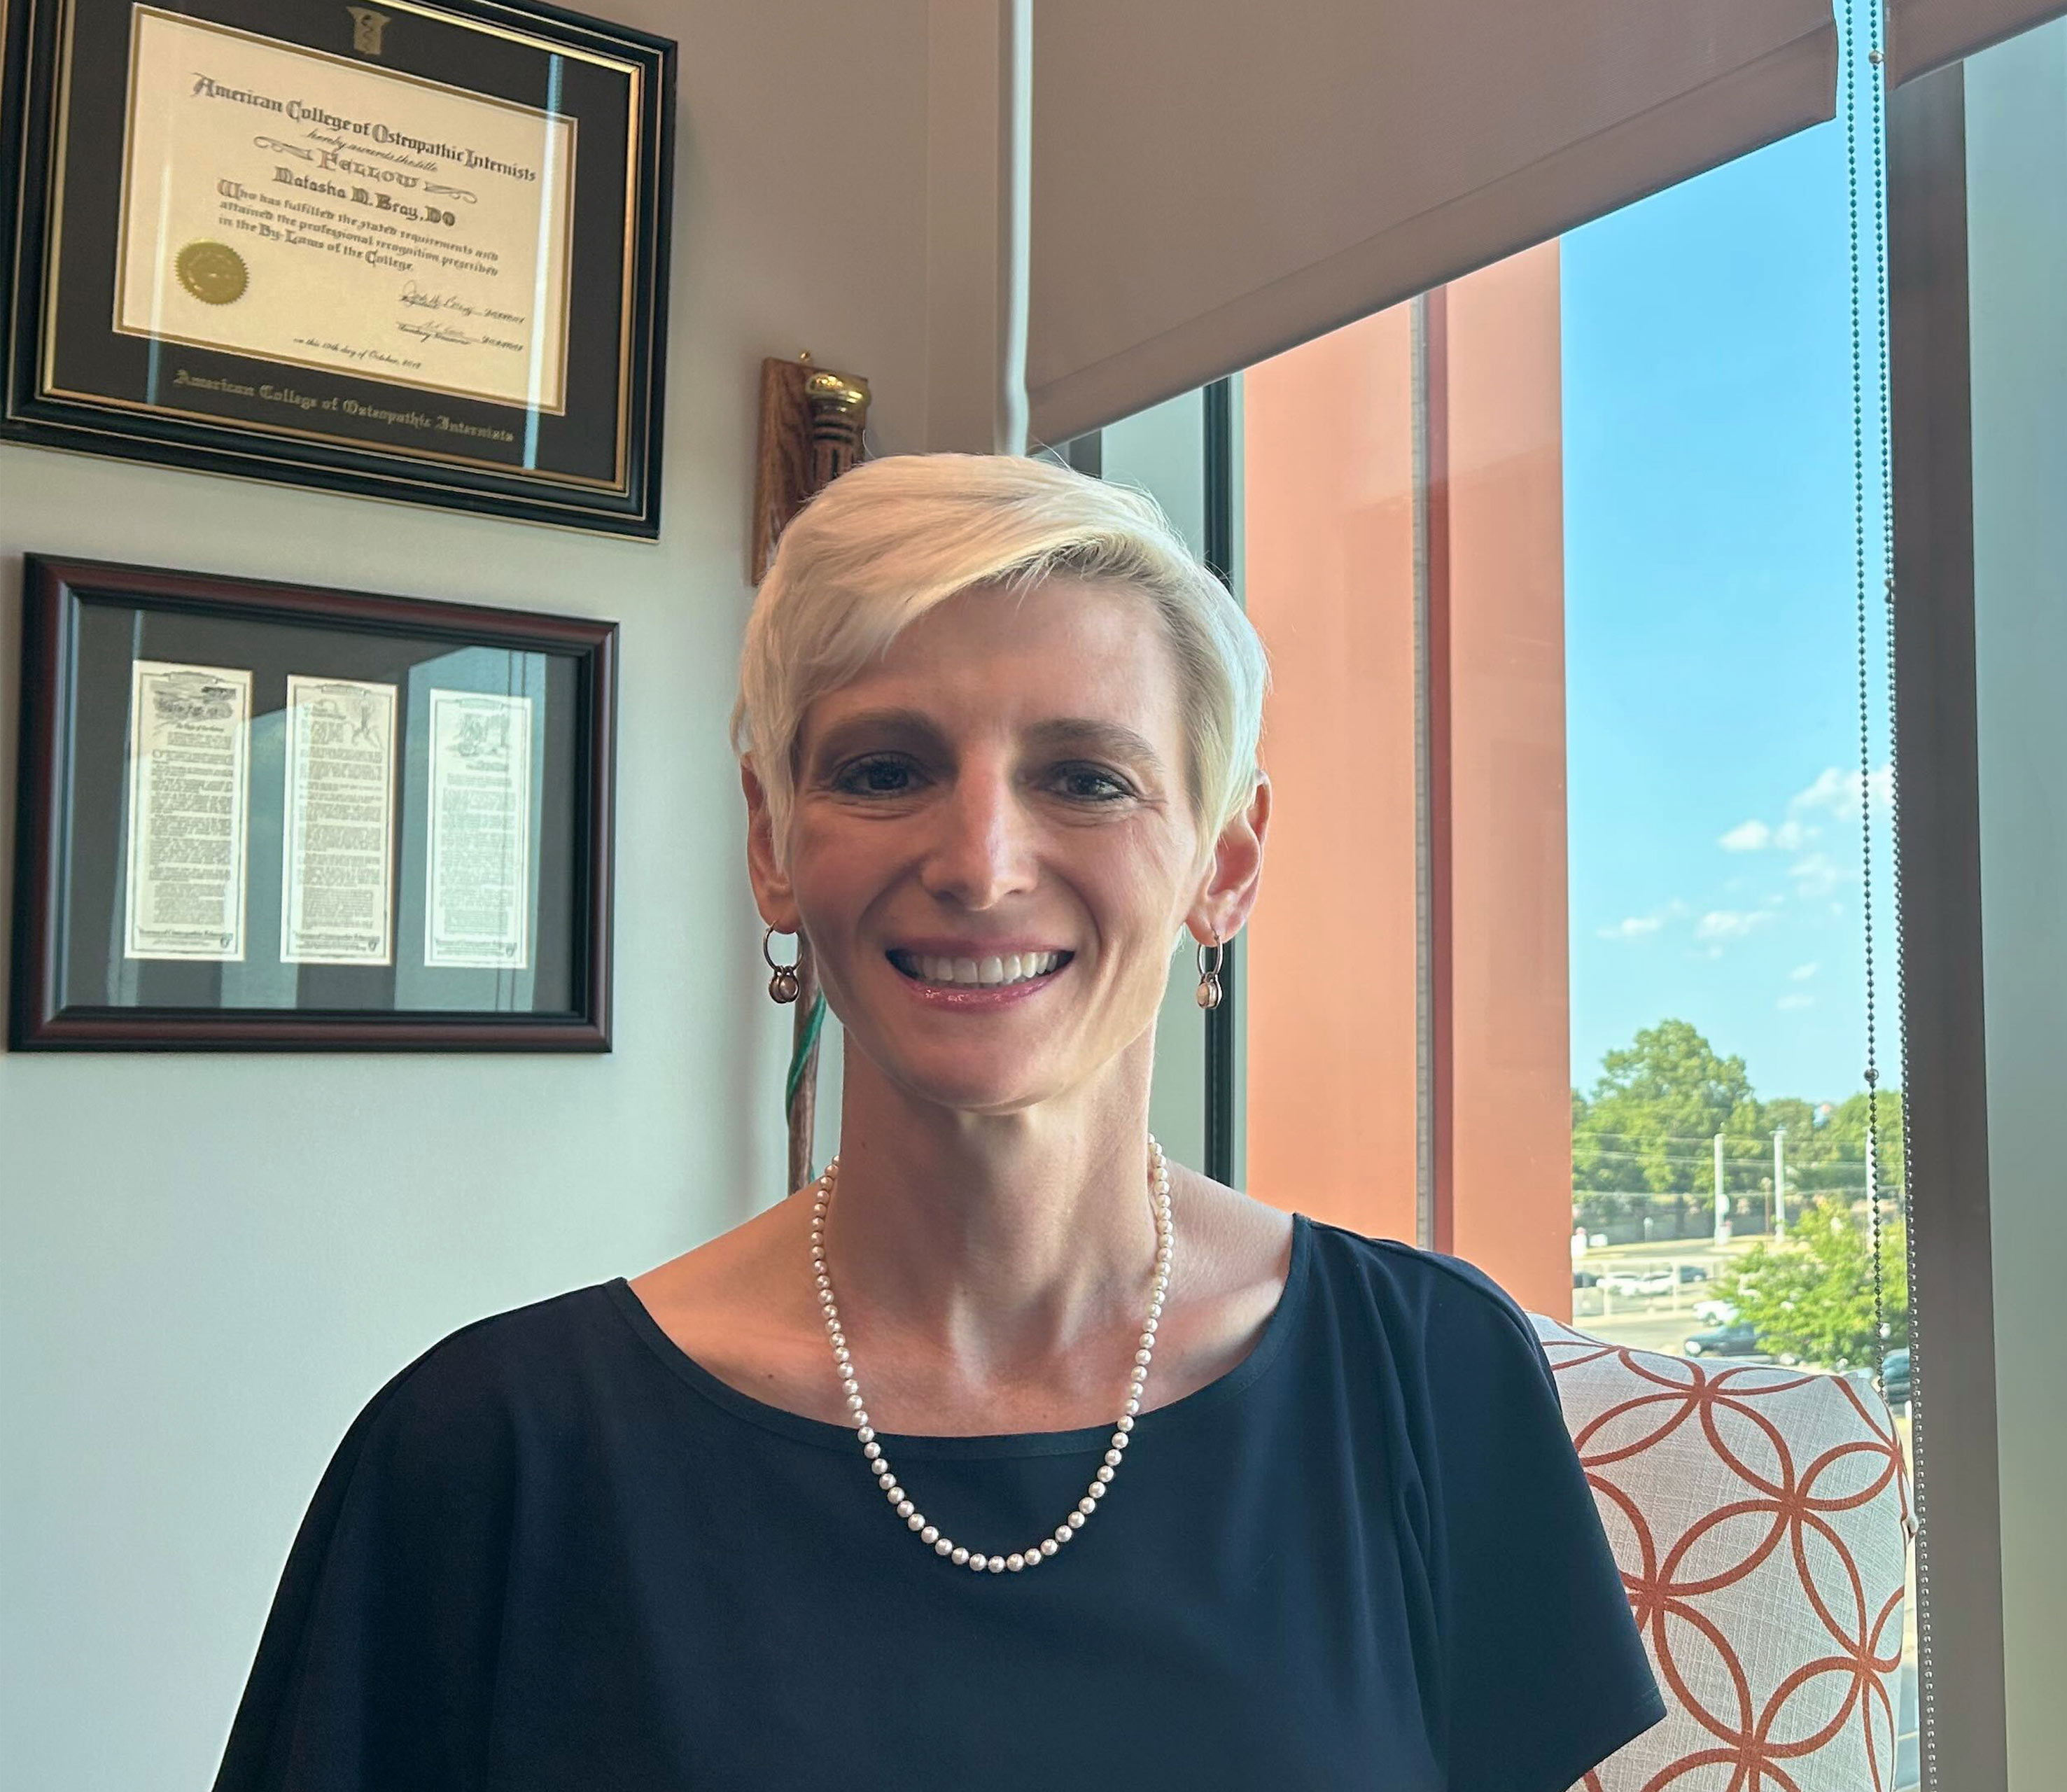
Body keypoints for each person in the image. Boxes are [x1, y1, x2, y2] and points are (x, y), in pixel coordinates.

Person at [214, 454, 1664, 1789]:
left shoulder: (1428, 1377)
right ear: (774, 843)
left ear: (1223, 865)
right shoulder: (484, 1455)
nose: (979, 862)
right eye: (885, 768)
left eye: (1086, 777)